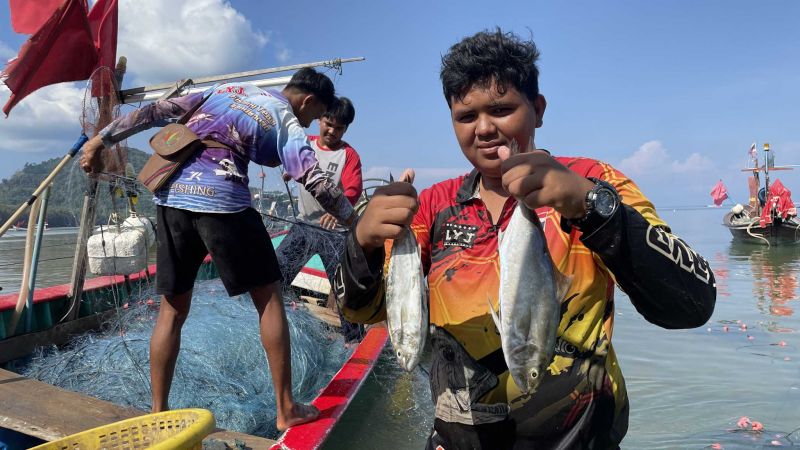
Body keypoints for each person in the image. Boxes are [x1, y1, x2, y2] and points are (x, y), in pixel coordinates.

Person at [333, 29, 716, 449]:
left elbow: (692, 303)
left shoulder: (593, 183)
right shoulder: (432, 207)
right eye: (465, 116)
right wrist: (363, 242)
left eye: (501, 109)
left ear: (538, 108)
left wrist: (590, 206)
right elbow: (363, 311)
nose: (483, 129)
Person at [80, 67, 357, 431]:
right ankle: (286, 406)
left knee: (172, 310)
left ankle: (158, 410)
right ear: (307, 101)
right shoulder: (286, 119)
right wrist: (355, 222)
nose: (311, 122)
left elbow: (155, 112)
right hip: (223, 202)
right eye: (315, 114)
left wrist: (101, 140)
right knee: (270, 299)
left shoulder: (228, 89)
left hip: (171, 198)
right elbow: (315, 180)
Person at [274, 96, 365, 342]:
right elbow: (290, 159)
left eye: (339, 127)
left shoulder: (349, 155)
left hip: (333, 233)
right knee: (277, 275)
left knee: (343, 287)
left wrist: (334, 211)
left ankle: (353, 340)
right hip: (303, 226)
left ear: (345, 129)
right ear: (319, 120)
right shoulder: (306, 144)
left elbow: (353, 190)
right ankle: (275, 324)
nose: (332, 131)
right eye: (328, 123)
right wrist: (288, 170)